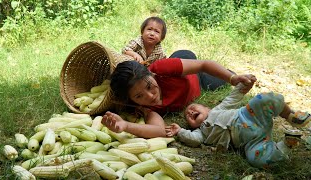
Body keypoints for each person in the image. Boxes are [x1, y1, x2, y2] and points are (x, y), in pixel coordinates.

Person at [165, 82, 311, 169]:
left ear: (207, 108)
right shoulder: (202, 133)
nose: (190, 112)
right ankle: (287, 144)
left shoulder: (217, 110)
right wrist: (180, 131)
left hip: (249, 115)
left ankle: (291, 116)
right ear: (192, 126)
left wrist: (243, 86)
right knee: (256, 160)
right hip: (253, 141)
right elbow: (193, 139)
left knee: (262, 99)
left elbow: (232, 98)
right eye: (187, 116)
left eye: (193, 107)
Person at [102, 57, 255, 138]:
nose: (150, 96)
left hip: (194, 76)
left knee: (227, 74)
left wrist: (232, 78)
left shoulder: (160, 69)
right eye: (139, 96)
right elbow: (159, 130)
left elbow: (203, 65)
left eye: (149, 86)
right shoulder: (143, 108)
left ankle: (183, 58)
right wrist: (126, 126)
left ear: (151, 74)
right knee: (218, 83)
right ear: (132, 99)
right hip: (201, 87)